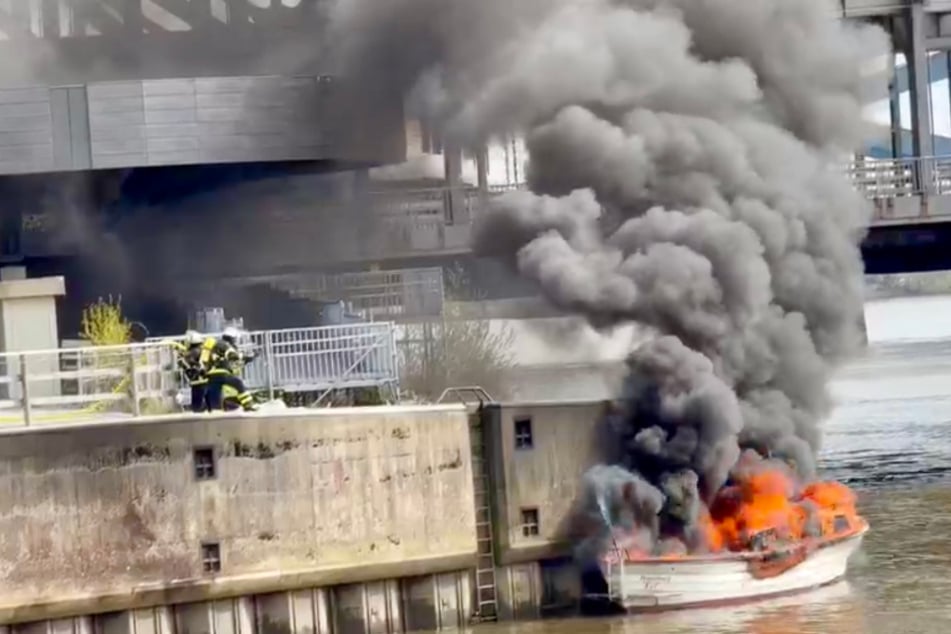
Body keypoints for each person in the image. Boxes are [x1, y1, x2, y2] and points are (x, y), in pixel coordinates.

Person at [203, 326, 258, 412]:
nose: (235, 341)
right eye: (235, 339)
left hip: (211, 375)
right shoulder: (225, 345)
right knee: (238, 383)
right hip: (221, 373)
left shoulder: (217, 344)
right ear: (231, 338)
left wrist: (247, 359)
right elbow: (233, 356)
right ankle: (248, 405)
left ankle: (217, 408)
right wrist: (246, 356)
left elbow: (234, 362)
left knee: (217, 395)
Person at [174, 330, 209, 413]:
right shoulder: (203, 350)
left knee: (197, 406)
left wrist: (180, 356)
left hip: (197, 382)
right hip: (205, 380)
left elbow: (186, 364)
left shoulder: (192, 352)